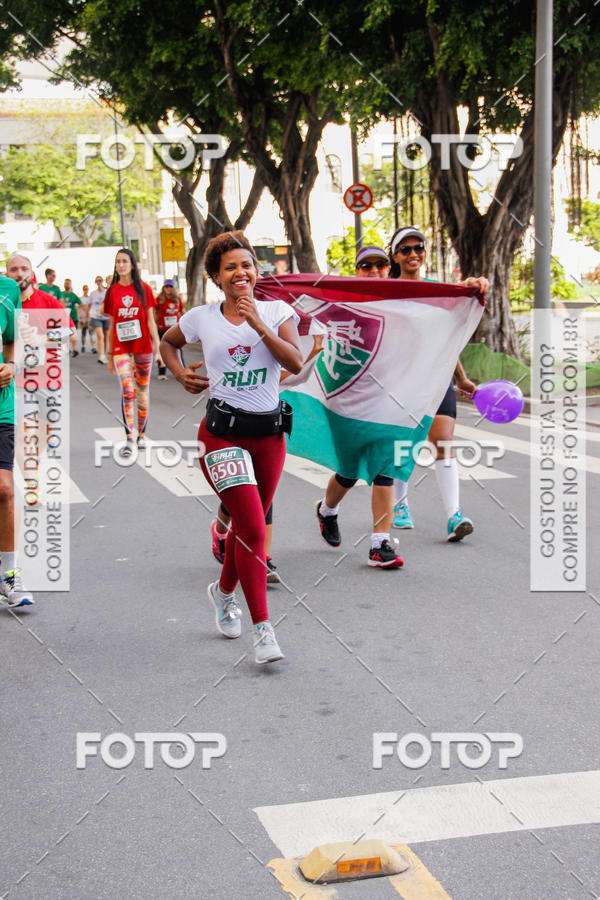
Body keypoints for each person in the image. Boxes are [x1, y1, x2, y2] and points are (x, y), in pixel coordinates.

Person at [160, 230, 302, 665]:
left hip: (270, 437)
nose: (241, 273)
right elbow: (167, 343)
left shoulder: (278, 311)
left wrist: (258, 323)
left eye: (247, 265)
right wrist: (181, 373)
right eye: (230, 268)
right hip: (221, 434)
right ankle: (263, 630)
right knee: (256, 530)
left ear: (255, 272)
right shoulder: (202, 318)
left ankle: (222, 594)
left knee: (245, 530)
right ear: (217, 278)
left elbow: (294, 362)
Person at [388, 226, 487, 541]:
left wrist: (461, 378)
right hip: (403, 379)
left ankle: (454, 516)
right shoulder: (387, 292)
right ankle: (399, 504)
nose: (414, 254)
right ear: (395, 256)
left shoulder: (439, 290)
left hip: (438, 375)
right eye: (406, 249)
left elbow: (445, 340)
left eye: (419, 247)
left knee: (443, 441)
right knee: (405, 444)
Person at [315, 245, 404, 568]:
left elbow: (441, 310)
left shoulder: (404, 304)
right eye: (366, 266)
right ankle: (327, 510)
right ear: (357, 271)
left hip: (389, 399)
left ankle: (380, 543)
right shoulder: (341, 303)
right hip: (348, 398)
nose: (375, 271)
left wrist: (472, 289)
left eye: (380, 265)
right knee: (350, 470)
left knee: (384, 467)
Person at [104, 249, 161, 456]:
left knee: (142, 392)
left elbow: (150, 321)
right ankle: (129, 437)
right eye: (118, 261)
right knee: (128, 390)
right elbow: (111, 325)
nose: (121, 265)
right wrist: (108, 355)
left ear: (132, 264)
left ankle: (141, 436)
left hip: (143, 347)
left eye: (125, 261)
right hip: (121, 349)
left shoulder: (144, 289)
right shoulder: (112, 291)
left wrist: (158, 349)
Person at [0, 274, 34, 607]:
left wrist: (12, 364)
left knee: (6, 488)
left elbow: (13, 338)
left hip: (1, 406)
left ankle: (8, 576)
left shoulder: (7, 289)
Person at [154, 279, 184, 379]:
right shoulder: (159, 299)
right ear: (163, 288)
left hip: (175, 328)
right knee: (163, 349)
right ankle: (162, 372)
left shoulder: (177, 299)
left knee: (178, 349)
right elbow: (155, 313)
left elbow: (182, 311)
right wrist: (154, 325)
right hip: (163, 328)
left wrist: (185, 322)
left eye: (170, 287)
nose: (168, 289)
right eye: (166, 287)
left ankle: (182, 371)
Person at [88, 275, 109, 363]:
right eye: (97, 281)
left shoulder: (107, 292)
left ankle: (104, 352)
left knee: (106, 336)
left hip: (106, 316)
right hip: (95, 317)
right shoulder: (93, 293)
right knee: (100, 335)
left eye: (100, 280)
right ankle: (101, 355)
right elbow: (89, 305)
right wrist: (87, 316)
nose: (99, 282)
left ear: (102, 281)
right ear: (95, 282)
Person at [62, 278, 81, 357]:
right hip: (64, 318)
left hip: (73, 318)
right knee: (65, 335)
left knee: (73, 336)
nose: (67, 285)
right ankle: (67, 349)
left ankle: (74, 349)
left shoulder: (74, 295)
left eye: (68, 283)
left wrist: (81, 313)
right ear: (64, 284)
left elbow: (80, 304)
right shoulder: (61, 294)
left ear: (71, 285)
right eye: (66, 283)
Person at [80, 284, 93, 352]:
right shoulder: (80, 299)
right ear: (83, 290)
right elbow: (78, 307)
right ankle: (83, 346)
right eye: (85, 289)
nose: (86, 290)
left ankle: (93, 347)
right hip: (82, 318)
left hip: (89, 318)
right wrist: (80, 316)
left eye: (87, 289)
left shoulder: (90, 298)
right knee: (83, 333)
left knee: (91, 333)